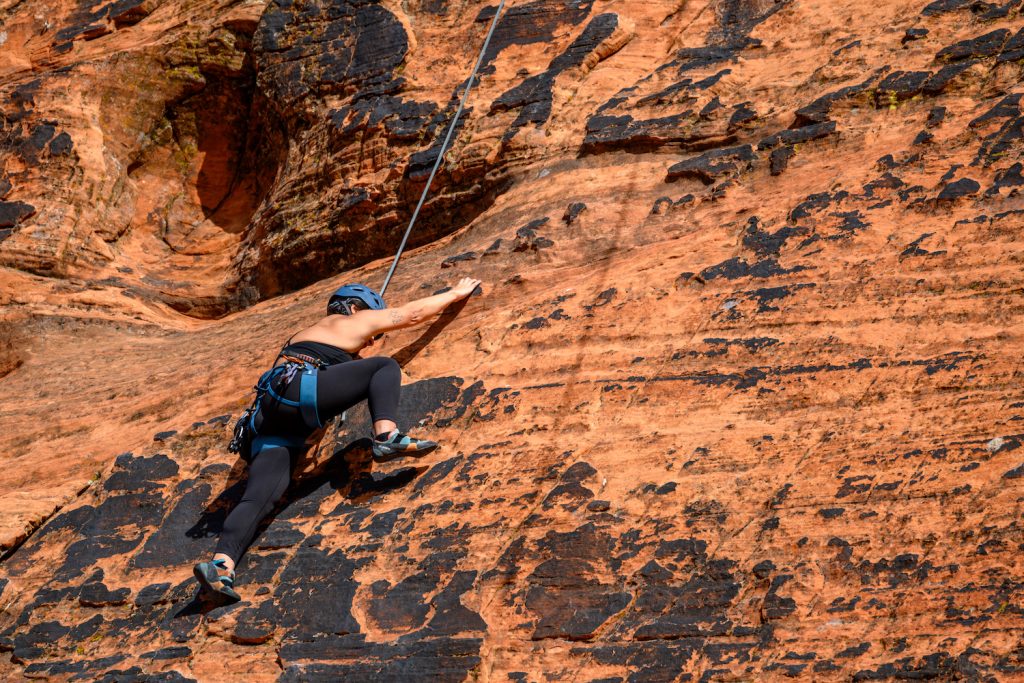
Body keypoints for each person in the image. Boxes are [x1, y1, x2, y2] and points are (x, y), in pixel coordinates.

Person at [193, 276, 482, 601]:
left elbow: (337, 368)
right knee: (383, 367)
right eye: (374, 333)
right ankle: (386, 436)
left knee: (259, 497)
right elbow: (411, 315)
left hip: (270, 416)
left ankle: (221, 566)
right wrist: (455, 293)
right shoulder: (352, 319)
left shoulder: (309, 334)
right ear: (356, 307)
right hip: (301, 390)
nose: (371, 339)